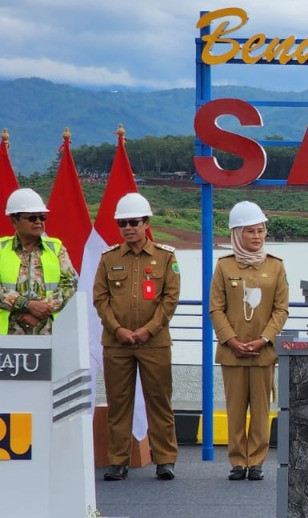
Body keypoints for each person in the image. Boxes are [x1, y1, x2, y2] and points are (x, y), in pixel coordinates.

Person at [93, 192, 181, 481]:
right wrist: (117, 329)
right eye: (123, 223)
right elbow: (100, 298)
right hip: (117, 343)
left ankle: (165, 460)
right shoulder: (109, 259)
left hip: (154, 342)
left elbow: (170, 299)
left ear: (146, 223)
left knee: (159, 401)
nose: (128, 228)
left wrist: (148, 330)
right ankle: (118, 461)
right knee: (119, 404)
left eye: (133, 222)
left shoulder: (166, 258)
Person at [208, 201, 290, 482]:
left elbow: (281, 309)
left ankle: (256, 461)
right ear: (236, 234)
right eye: (250, 231)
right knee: (234, 409)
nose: (257, 237)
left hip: (263, 353)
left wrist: (264, 339)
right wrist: (231, 340)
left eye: (261, 230)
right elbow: (215, 308)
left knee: (260, 410)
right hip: (232, 353)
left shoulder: (276, 267)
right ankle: (237, 461)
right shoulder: (224, 266)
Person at [0, 188, 78, 335]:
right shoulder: (1, 249)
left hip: (50, 334)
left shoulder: (56, 248)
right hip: (6, 338)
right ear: (14, 220)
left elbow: (70, 284)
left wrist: (41, 309)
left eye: (42, 217)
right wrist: (26, 305)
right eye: (32, 218)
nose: (38, 222)